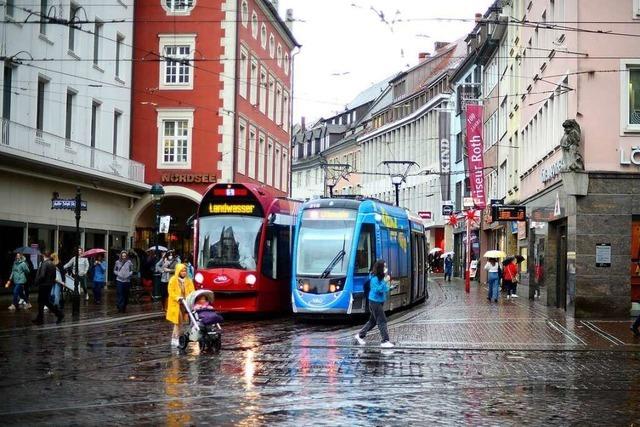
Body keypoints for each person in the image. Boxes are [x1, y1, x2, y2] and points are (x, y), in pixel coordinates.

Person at [355, 259, 394, 348]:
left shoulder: (380, 278)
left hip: (379, 302)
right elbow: (378, 290)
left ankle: (360, 335)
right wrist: (385, 281)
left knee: (372, 321)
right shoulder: (374, 278)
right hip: (375, 302)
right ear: (380, 267)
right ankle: (385, 341)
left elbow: (383, 289)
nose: (386, 268)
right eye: (384, 266)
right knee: (382, 320)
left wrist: (390, 288)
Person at [166, 264, 195, 347]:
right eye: (182, 271)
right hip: (176, 304)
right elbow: (171, 292)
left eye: (185, 271)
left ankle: (178, 337)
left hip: (185, 304)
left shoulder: (188, 280)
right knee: (178, 321)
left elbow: (192, 290)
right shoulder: (173, 280)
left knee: (181, 322)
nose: (184, 273)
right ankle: (175, 338)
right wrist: (177, 297)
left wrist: (191, 297)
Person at [32, 251, 64, 325]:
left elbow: (42, 275)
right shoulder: (52, 264)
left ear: (43, 256)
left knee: (43, 301)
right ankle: (40, 318)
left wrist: (37, 282)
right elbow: (54, 276)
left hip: (43, 285)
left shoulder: (45, 264)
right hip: (49, 285)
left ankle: (59, 314)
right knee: (43, 301)